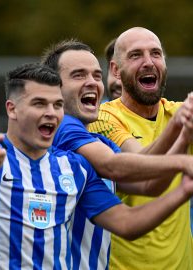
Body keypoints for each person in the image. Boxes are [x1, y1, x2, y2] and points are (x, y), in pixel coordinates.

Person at [41, 40, 193, 269]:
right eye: (79, 75)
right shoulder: (63, 126)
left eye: (95, 75)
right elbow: (112, 165)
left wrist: (181, 137)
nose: (92, 82)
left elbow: (146, 186)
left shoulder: (94, 145)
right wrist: (182, 159)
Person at [89, 27, 193, 270]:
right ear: (115, 69)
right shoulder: (102, 118)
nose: (148, 62)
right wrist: (180, 130)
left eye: (156, 54)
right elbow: (143, 167)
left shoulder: (178, 113)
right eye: (136, 55)